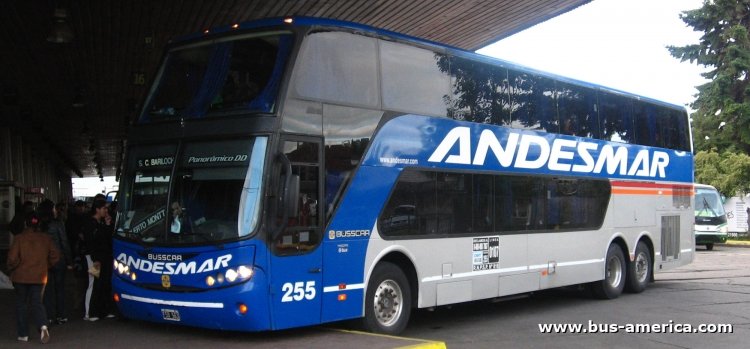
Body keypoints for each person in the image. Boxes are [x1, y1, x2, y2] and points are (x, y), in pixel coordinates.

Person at [6, 212, 60, 343]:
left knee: (21, 304)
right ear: (39, 224)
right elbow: (56, 256)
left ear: (25, 223)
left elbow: (12, 258)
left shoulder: (19, 238)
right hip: (39, 276)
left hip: (21, 277)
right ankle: (43, 325)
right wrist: (45, 265)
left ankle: (23, 334)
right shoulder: (46, 238)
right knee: (37, 302)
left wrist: (12, 267)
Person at [80, 200, 116, 321]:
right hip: (93, 258)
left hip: (102, 258)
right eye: (104, 208)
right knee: (93, 283)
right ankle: (89, 312)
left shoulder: (101, 223)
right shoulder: (90, 224)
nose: (106, 211)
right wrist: (95, 259)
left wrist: (107, 225)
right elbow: (90, 243)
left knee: (103, 283)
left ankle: (102, 310)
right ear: (97, 209)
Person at [38, 199, 72, 325]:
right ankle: (61, 316)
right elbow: (64, 242)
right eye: (53, 208)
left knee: (47, 290)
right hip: (59, 260)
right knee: (60, 288)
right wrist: (69, 261)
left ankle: (49, 316)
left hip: (44, 261)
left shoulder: (39, 225)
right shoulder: (58, 224)